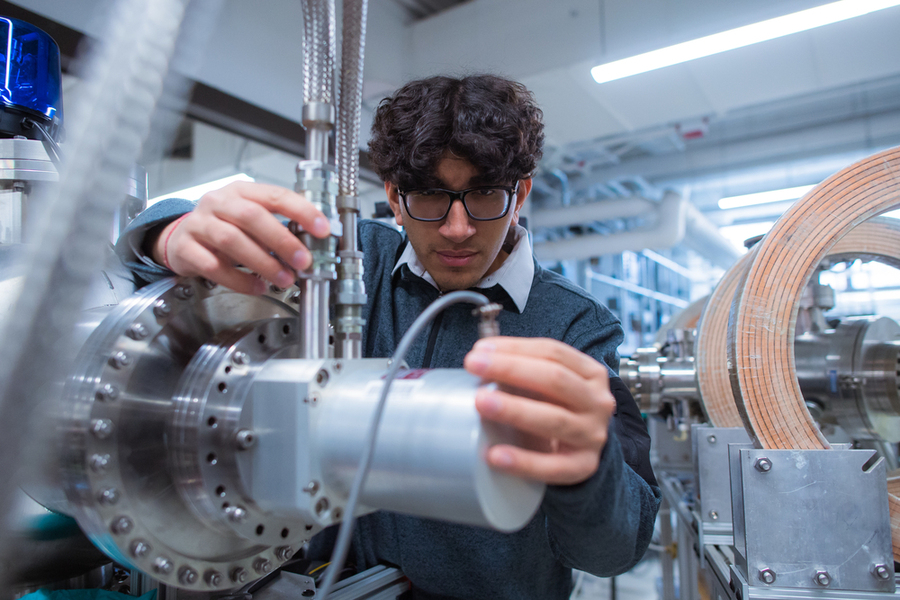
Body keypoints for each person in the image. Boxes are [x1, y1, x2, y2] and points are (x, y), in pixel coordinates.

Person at [117, 74, 660, 600]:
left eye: (484, 194)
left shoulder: (576, 326)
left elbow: (616, 550)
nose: (457, 227)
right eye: (429, 197)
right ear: (395, 198)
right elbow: (167, 267)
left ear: (520, 194)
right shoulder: (353, 259)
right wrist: (169, 234)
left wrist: (592, 468)